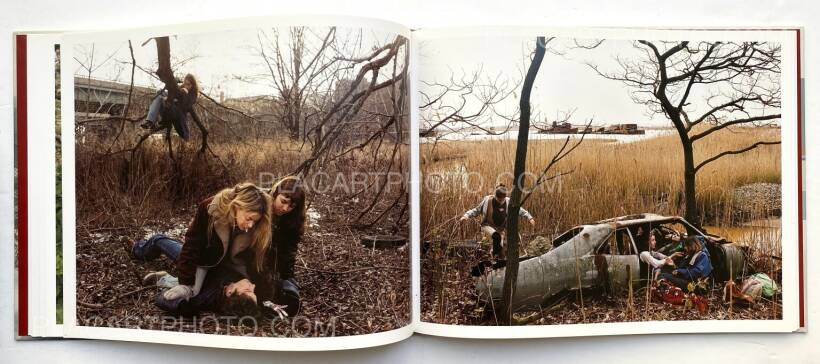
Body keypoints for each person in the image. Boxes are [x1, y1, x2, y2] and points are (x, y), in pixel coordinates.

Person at [127, 182, 274, 313]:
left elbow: (257, 262)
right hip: (203, 259)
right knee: (168, 247)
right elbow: (192, 245)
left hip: (222, 268)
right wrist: (186, 283)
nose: (250, 225)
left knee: (195, 291)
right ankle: (140, 248)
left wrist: (265, 296)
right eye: (249, 219)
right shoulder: (209, 209)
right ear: (237, 206)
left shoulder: (255, 226)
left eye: (254, 221)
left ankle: (165, 278)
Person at [260, 176, 308, 317]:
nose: (286, 208)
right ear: (275, 194)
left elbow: (288, 253)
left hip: (275, 266)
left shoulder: (293, 220)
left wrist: (286, 277)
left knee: (288, 294)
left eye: (291, 206)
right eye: (283, 201)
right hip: (253, 262)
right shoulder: (260, 209)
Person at [459, 184, 535, 261]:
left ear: (505, 197)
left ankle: (499, 260)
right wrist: (466, 215)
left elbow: (520, 210)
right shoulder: (487, 201)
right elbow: (476, 210)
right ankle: (494, 260)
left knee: (500, 248)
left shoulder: (509, 202)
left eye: (502, 200)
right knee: (496, 237)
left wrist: (530, 217)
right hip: (487, 226)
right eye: (499, 200)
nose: (501, 202)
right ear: (495, 196)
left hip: (500, 229)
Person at [140, 73, 199, 140]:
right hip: (168, 110)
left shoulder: (193, 94)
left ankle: (154, 121)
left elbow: (186, 106)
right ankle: (150, 122)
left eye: (188, 84)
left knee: (162, 97)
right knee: (159, 93)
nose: (186, 86)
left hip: (178, 116)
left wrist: (185, 93)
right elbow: (172, 94)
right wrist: (168, 98)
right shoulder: (180, 89)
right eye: (185, 83)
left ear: (193, 85)